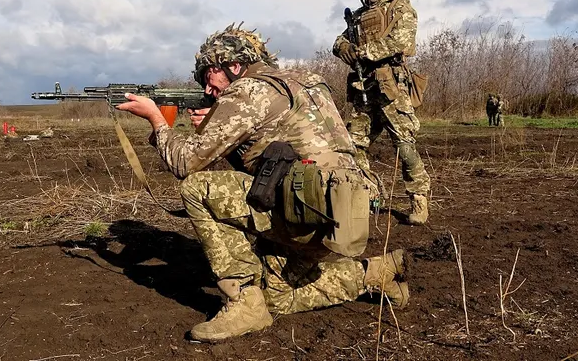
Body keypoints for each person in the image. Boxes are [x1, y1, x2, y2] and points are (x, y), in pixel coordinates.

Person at [117, 23, 410, 343]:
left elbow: (184, 163)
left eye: (209, 76)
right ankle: (374, 273)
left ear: (233, 66)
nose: (209, 88)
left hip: (305, 213)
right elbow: (273, 157)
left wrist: (157, 121)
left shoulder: (246, 91)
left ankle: (241, 300)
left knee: (197, 187)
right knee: (278, 299)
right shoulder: (304, 80)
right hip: (343, 217)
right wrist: (222, 130)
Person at [332, 0, 431, 225]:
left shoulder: (400, 7)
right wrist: (344, 49)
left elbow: (399, 41)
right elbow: (338, 42)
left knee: (405, 144)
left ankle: (419, 199)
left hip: (392, 87)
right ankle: (368, 195)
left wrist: (361, 52)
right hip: (364, 87)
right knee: (354, 145)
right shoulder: (360, 15)